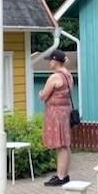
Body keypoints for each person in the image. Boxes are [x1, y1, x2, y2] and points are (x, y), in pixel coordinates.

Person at [39, 48, 73, 186]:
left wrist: (41, 93)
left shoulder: (55, 77)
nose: (49, 63)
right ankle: (63, 174)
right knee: (65, 144)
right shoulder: (68, 75)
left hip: (56, 113)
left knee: (61, 145)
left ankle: (60, 177)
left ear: (55, 61)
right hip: (66, 111)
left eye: (50, 61)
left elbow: (44, 95)